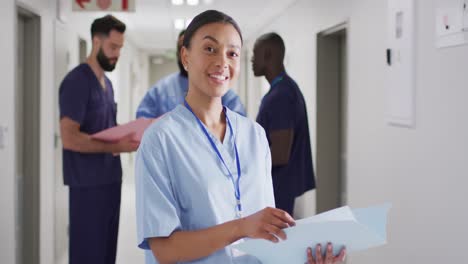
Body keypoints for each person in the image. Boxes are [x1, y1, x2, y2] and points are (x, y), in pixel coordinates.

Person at [135, 10, 345, 264]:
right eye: (210, 49)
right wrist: (241, 227)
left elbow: (268, 236)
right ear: (185, 56)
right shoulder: (161, 141)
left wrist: (306, 259)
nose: (222, 61)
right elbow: (165, 250)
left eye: (232, 53)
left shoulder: (254, 135)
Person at [59, 15, 139, 264]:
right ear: (96, 42)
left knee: (106, 254)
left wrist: (133, 134)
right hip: (87, 187)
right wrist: (117, 146)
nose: (117, 54)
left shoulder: (107, 84)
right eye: (113, 47)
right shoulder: (76, 82)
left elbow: (106, 129)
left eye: (120, 48)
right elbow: (69, 138)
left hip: (110, 182)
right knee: (88, 255)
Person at [252, 32, 316, 216]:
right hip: (278, 186)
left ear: (268, 54)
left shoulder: (281, 95)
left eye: (255, 54)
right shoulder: (283, 89)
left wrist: (244, 164)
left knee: (275, 240)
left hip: (277, 188)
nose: (251, 61)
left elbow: (280, 154)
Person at [136, 30, 246, 119]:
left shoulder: (223, 91)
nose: (186, 56)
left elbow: (239, 128)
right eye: (182, 49)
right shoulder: (160, 90)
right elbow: (142, 126)